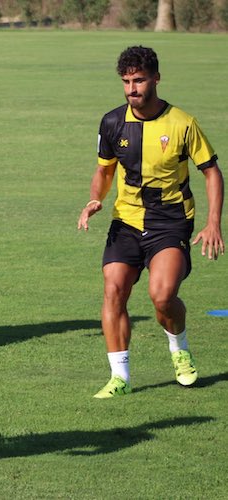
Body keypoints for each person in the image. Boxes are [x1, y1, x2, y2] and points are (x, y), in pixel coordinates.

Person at [78, 46, 224, 399]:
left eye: (139, 80)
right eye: (126, 81)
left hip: (170, 222)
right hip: (125, 221)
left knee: (162, 297)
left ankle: (179, 347)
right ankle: (120, 377)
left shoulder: (183, 123)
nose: (132, 88)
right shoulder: (112, 122)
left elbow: (212, 171)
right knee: (113, 289)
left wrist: (213, 222)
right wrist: (96, 197)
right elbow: (104, 168)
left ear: (156, 78)